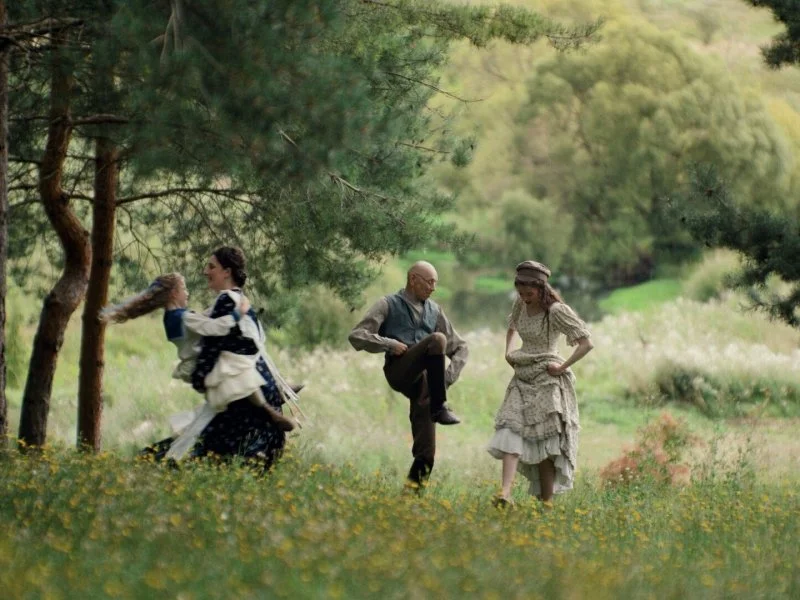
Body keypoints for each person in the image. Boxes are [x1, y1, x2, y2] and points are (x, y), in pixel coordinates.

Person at [143, 247, 299, 469]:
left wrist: (202, 378)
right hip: (255, 384)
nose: (205, 271)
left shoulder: (226, 301)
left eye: (211, 267)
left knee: (208, 445)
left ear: (227, 272)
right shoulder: (238, 299)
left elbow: (214, 345)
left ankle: (152, 464)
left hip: (240, 393)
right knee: (229, 450)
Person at [101, 272, 297, 443]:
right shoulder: (183, 318)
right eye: (184, 289)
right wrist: (238, 314)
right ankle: (271, 410)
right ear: (174, 294)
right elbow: (212, 327)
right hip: (200, 365)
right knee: (239, 369)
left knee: (239, 368)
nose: (187, 293)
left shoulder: (173, 317)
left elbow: (202, 319)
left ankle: (277, 391)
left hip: (195, 363)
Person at [348, 260, 469, 487]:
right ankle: (440, 406)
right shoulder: (387, 304)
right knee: (437, 340)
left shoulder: (435, 311)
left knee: (427, 453)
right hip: (399, 370)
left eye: (435, 283)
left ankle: (410, 497)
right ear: (413, 279)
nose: (433, 288)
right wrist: (388, 343)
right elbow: (357, 335)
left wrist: (445, 379)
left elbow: (461, 348)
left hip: (425, 384)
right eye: (429, 282)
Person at [487, 261, 593, 506]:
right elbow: (512, 326)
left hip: (547, 377)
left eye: (529, 292)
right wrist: (508, 351)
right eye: (520, 291)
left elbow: (586, 343)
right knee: (510, 426)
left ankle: (546, 504)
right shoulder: (520, 304)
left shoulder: (555, 311)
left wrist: (562, 367)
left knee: (545, 443)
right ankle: (504, 494)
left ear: (541, 288)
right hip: (522, 374)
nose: (524, 296)